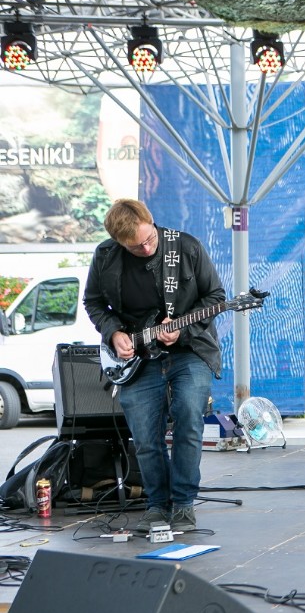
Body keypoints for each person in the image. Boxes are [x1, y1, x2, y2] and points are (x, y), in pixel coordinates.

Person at [83, 199, 226, 534]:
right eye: (135, 247)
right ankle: (157, 505)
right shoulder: (105, 256)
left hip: (190, 349)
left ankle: (184, 503)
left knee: (189, 418)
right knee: (146, 436)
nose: (146, 249)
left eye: (149, 239)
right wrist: (113, 332)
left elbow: (216, 297)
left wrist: (182, 330)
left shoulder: (186, 247)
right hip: (136, 357)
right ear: (119, 242)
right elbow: (93, 302)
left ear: (152, 222)